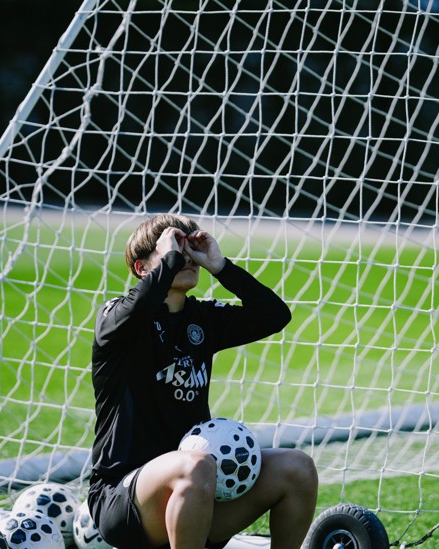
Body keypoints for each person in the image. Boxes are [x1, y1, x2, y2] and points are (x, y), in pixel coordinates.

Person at [88, 213, 319, 549]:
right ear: (142, 269)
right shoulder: (116, 317)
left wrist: (220, 266)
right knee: (196, 465)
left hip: (199, 491)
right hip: (124, 498)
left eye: (188, 248)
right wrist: (169, 260)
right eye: (173, 249)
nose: (184, 258)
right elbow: (135, 309)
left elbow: (275, 315)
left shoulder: (204, 319)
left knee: (297, 468)